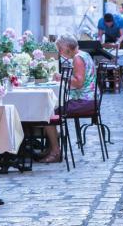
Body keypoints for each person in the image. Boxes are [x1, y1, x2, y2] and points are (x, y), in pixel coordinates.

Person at [38, 34, 97, 163]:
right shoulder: (83, 54)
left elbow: (79, 82)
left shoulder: (77, 58)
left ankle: (55, 151)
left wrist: (62, 77)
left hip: (85, 101)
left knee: (48, 113)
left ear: (66, 47)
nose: (59, 52)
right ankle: (53, 143)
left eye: (60, 48)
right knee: (51, 108)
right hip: (88, 99)